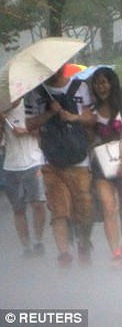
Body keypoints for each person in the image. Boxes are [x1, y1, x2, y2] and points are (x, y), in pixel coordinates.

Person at [25, 64, 95, 267]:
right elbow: (30, 124)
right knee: (59, 209)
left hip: (79, 158)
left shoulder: (81, 87)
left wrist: (72, 116)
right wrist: (49, 112)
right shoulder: (36, 93)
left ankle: (83, 243)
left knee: (85, 206)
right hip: (51, 160)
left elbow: (91, 119)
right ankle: (64, 254)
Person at [89, 67, 122, 262]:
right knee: (108, 208)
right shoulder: (92, 110)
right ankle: (114, 251)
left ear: (112, 83)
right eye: (97, 83)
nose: (101, 87)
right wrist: (86, 122)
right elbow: (90, 139)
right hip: (101, 164)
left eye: (104, 82)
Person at [0, 99, 47, 258]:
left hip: (33, 161)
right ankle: (26, 246)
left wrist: (25, 130)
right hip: (11, 165)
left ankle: (38, 240)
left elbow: (42, 129)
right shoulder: (2, 111)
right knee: (18, 208)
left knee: (38, 203)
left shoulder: (30, 104)